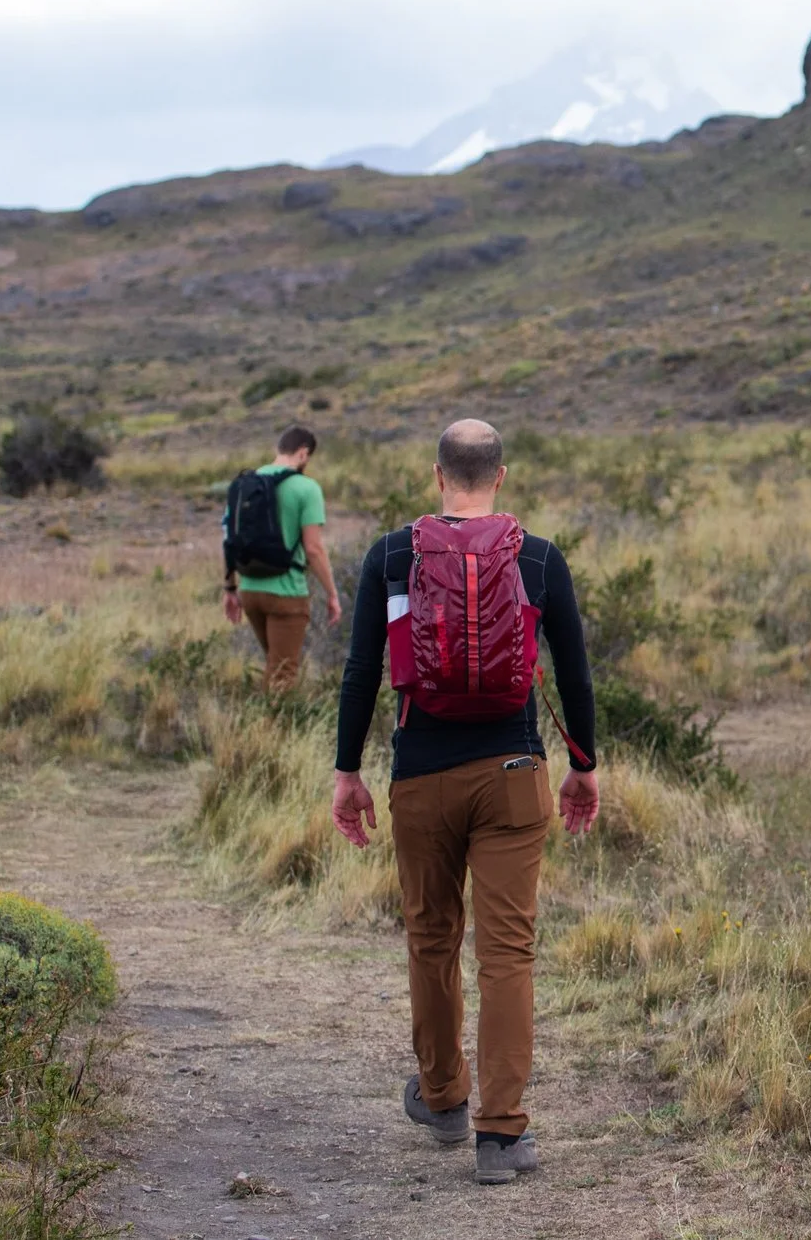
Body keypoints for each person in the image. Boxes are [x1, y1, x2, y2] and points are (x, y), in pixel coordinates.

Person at [330, 419, 599, 1187]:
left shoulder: (391, 556)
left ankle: (444, 1098)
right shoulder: (538, 558)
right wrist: (583, 765)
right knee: (507, 952)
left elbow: (361, 672)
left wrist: (347, 772)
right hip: (514, 770)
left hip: (420, 775)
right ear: (501, 477)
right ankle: (502, 1135)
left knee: (431, 939)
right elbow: (574, 674)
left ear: (437, 474)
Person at [222, 426, 341, 692]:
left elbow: (229, 539)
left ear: (278, 449)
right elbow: (313, 549)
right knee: (283, 674)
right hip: (286, 593)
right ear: (303, 453)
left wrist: (229, 588)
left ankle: (259, 714)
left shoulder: (243, 485)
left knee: (274, 664)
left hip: (249, 590)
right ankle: (270, 719)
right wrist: (332, 594)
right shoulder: (306, 488)